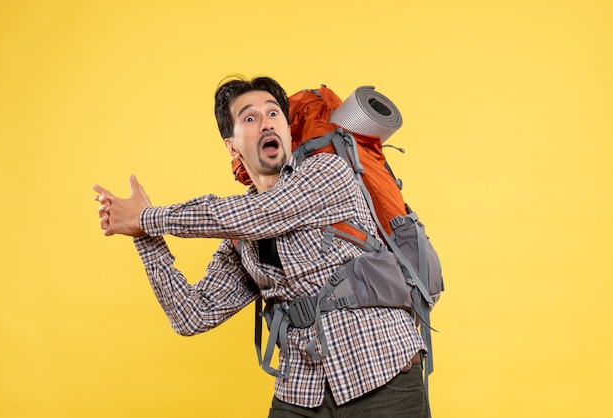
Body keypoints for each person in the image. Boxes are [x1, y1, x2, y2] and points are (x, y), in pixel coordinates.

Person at [93, 76, 429, 417]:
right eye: (249, 118)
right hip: (302, 389)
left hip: (384, 374)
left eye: (274, 114)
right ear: (232, 146)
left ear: (285, 129)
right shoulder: (241, 238)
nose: (265, 122)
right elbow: (192, 315)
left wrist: (147, 217)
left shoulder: (327, 173)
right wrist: (143, 236)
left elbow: (262, 213)